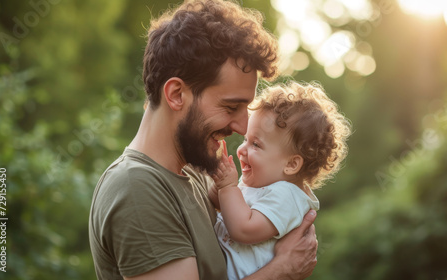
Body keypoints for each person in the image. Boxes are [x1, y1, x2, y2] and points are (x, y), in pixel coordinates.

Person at [88, 1, 318, 279]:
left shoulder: (195, 174)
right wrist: (283, 270)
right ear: (175, 94)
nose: (243, 127)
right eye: (231, 107)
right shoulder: (137, 188)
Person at [209, 82, 351, 279]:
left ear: (292, 164)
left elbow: (243, 229)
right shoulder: (257, 184)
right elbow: (227, 207)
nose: (241, 150)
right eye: (245, 140)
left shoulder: (287, 196)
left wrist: (226, 187)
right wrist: (217, 186)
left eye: (256, 144)